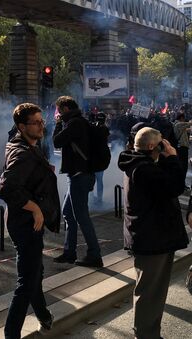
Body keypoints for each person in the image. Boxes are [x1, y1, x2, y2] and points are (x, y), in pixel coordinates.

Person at [118, 127, 189, 339]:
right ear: (151, 146)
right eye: (160, 144)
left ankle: (150, 333)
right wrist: (173, 158)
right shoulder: (144, 169)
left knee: (154, 291)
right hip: (151, 238)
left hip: (153, 236)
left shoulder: (139, 163)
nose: (164, 148)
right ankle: (146, 334)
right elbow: (174, 186)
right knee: (150, 292)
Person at [0, 103, 60, 339]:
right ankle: (11, 334)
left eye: (42, 121)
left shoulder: (27, 145)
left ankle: (44, 316)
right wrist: (35, 208)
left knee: (35, 273)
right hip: (25, 223)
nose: (42, 125)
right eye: (36, 122)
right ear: (22, 126)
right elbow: (6, 189)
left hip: (26, 222)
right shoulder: (22, 153)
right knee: (27, 282)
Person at [52, 96, 103, 268]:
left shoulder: (75, 123)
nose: (58, 114)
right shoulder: (78, 121)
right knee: (68, 212)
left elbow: (56, 141)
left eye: (59, 110)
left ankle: (94, 254)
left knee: (81, 215)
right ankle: (69, 252)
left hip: (80, 175)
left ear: (65, 108)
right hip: (78, 174)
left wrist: (58, 124)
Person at [91, 113, 110, 205]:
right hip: (100, 160)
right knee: (99, 180)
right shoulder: (105, 129)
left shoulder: (92, 128)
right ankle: (99, 199)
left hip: (92, 159)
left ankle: (92, 199)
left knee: (92, 180)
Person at [173, 113, 191, 179]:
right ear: (181, 118)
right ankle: (181, 181)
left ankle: (182, 181)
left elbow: (187, 130)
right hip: (182, 148)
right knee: (183, 165)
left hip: (181, 147)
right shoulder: (179, 124)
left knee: (182, 165)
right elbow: (189, 123)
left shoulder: (176, 125)